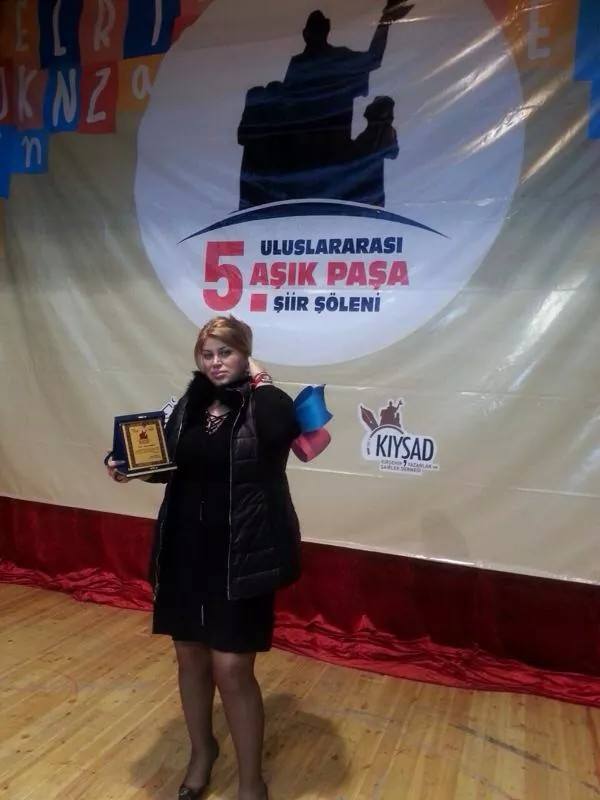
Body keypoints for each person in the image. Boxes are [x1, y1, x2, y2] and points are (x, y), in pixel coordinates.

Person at [106, 315, 301, 800]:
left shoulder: (265, 405)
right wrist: (129, 468)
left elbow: (283, 429)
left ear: (246, 355)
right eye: (207, 354)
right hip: (184, 552)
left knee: (232, 669)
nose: (215, 363)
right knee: (190, 658)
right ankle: (202, 752)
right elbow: (169, 465)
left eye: (226, 352)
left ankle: (251, 779)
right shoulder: (188, 405)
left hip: (241, 556)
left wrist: (260, 377)